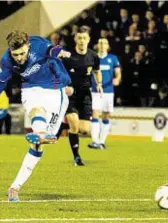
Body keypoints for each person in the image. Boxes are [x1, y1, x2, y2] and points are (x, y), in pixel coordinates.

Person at [0, 30, 72, 202]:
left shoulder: (38, 44)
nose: (19, 57)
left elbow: (51, 51)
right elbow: (0, 84)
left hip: (55, 91)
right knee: (34, 113)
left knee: (40, 146)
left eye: (22, 53)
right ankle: (14, 188)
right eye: (15, 54)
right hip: (30, 88)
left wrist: (60, 53)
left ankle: (40, 136)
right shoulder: (7, 60)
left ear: (28, 46)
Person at [58, 26, 102, 165]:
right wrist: (62, 86)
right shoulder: (68, 56)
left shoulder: (93, 56)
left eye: (84, 38)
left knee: (84, 129)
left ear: (88, 39)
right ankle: (77, 157)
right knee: (74, 125)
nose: (82, 41)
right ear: (75, 38)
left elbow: (97, 71)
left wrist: (99, 84)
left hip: (85, 95)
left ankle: (62, 126)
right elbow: (58, 72)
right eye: (79, 38)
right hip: (70, 95)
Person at [88, 38, 121, 149]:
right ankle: (95, 141)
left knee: (106, 116)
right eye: (100, 43)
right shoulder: (93, 57)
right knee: (95, 114)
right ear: (97, 45)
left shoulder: (113, 58)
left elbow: (118, 73)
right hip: (95, 91)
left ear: (108, 46)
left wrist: (117, 79)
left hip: (108, 91)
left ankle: (101, 141)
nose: (102, 45)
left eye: (104, 43)